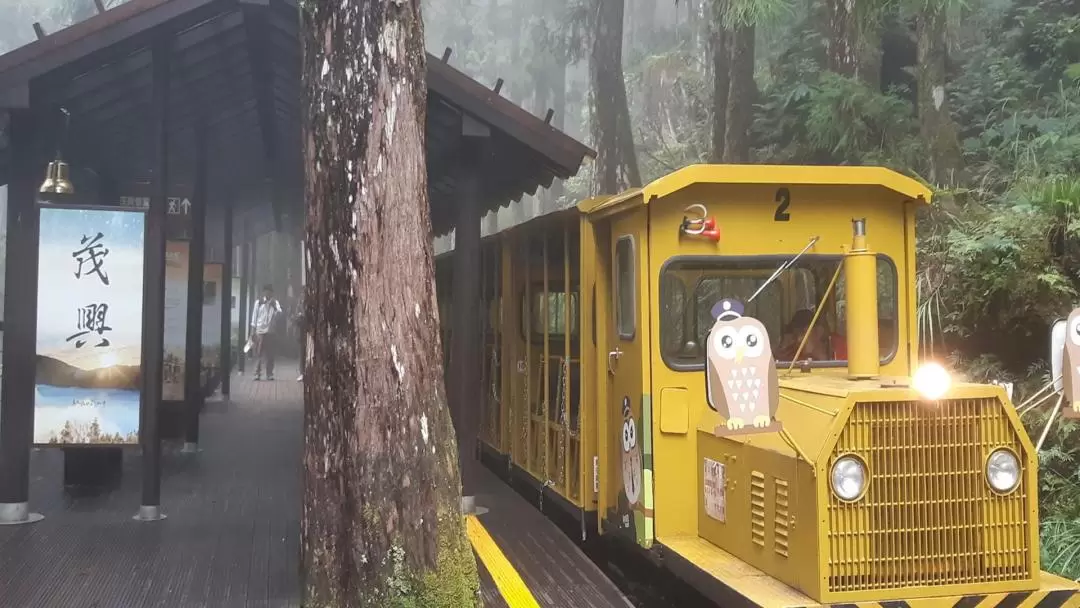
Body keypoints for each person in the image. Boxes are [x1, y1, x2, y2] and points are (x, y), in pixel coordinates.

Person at [250, 284, 283, 381]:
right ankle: (257, 373)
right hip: (260, 331)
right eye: (266, 291)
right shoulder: (259, 303)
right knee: (258, 353)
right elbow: (254, 318)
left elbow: (280, 315)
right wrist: (252, 332)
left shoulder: (275, 303)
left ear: (272, 293)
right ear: (264, 292)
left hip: (270, 331)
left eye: (270, 292)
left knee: (270, 354)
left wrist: (275, 308)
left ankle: (269, 374)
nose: (268, 293)